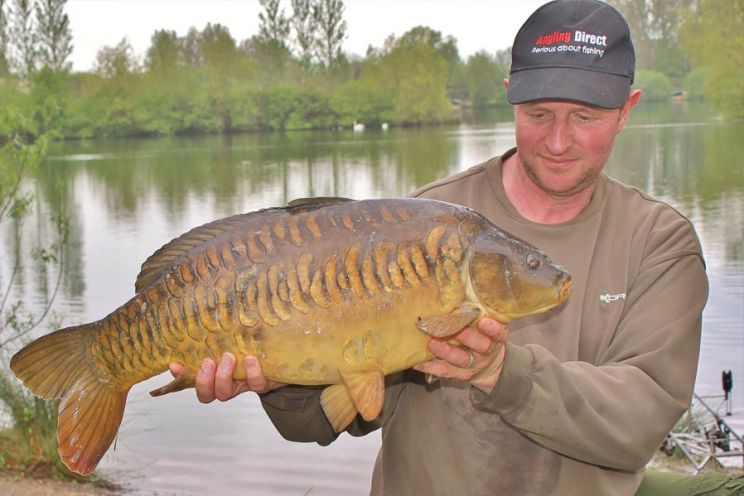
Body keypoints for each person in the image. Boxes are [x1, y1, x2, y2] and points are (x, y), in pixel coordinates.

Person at [171, 0, 709, 494]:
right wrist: (277, 379)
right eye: (539, 114)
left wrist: (500, 372)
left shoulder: (657, 243)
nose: (558, 140)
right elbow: (325, 419)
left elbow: (638, 425)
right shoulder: (422, 225)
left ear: (626, 110)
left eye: (585, 117)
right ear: (510, 95)